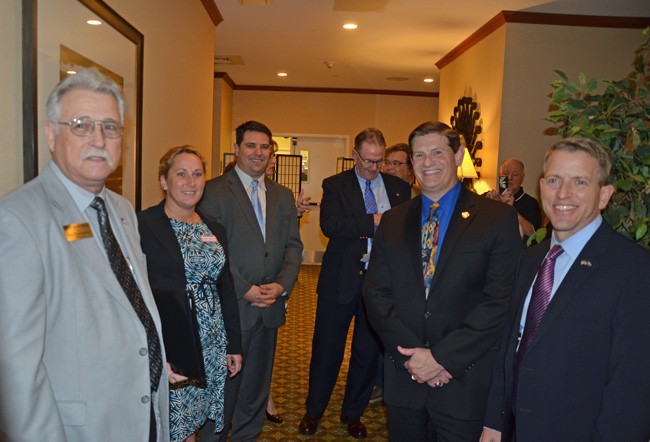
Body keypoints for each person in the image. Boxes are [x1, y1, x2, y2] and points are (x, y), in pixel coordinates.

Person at [0, 68, 169, 441]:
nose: (99, 139)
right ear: (50, 134)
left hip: (140, 417)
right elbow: (16, 372)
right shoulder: (17, 220)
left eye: (111, 127)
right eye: (81, 125)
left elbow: (128, 306)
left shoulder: (122, 210)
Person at [481, 138, 650, 442]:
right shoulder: (531, 259)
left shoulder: (635, 271)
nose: (563, 194)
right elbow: (509, 347)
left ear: (604, 195)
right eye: (555, 180)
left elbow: (632, 390)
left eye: (580, 182)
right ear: (542, 185)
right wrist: (494, 421)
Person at [362, 121, 522, 441]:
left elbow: (499, 301)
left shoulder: (497, 219)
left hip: (462, 382)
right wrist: (413, 358)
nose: (427, 162)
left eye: (437, 152)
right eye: (419, 155)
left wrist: (441, 359)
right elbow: (376, 293)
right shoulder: (393, 220)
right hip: (405, 378)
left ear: (458, 154)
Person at [299, 128, 411, 439]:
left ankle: (353, 413)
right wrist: (373, 221)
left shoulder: (400, 189)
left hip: (381, 285)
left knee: (367, 351)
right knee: (327, 349)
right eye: (369, 161)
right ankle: (313, 411)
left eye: (380, 161)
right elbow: (330, 224)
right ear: (355, 156)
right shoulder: (336, 185)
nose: (375, 168)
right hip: (340, 281)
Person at [199, 120, 303, 441]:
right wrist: (245, 290)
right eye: (251, 146)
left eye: (264, 147)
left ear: (271, 152)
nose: (258, 153)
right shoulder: (213, 191)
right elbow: (211, 252)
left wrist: (282, 285)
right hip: (232, 310)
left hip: (270, 308)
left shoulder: (283, 196)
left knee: (256, 391)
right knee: (224, 393)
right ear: (237, 149)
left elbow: (293, 247)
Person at [137, 146, 243, 441]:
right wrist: (157, 350)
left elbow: (226, 288)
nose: (191, 182)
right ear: (163, 181)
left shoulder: (214, 227)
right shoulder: (143, 225)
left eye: (197, 174)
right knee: (176, 423)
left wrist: (233, 344)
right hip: (175, 343)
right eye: (181, 174)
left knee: (196, 421)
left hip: (212, 341)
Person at [485, 158, 542, 238]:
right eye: (506, 173)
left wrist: (511, 209)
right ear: (499, 175)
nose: (509, 178)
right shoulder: (487, 197)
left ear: (522, 178)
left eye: (515, 174)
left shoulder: (531, 203)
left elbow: (532, 233)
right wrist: (486, 205)